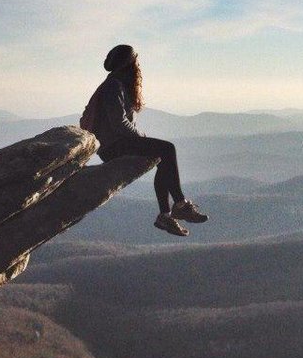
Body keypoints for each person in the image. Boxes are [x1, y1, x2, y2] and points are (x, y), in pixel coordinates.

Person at [81, 44, 209, 236]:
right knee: (167, 149)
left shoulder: (115, 84)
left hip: (115, 143)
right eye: (135, 61)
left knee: (161, 157)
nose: (138, 66)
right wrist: (141, 137)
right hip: (114, 146)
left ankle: (166, 215)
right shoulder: (113, 86)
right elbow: (119, 124)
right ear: (129, 64)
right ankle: (179, 205)